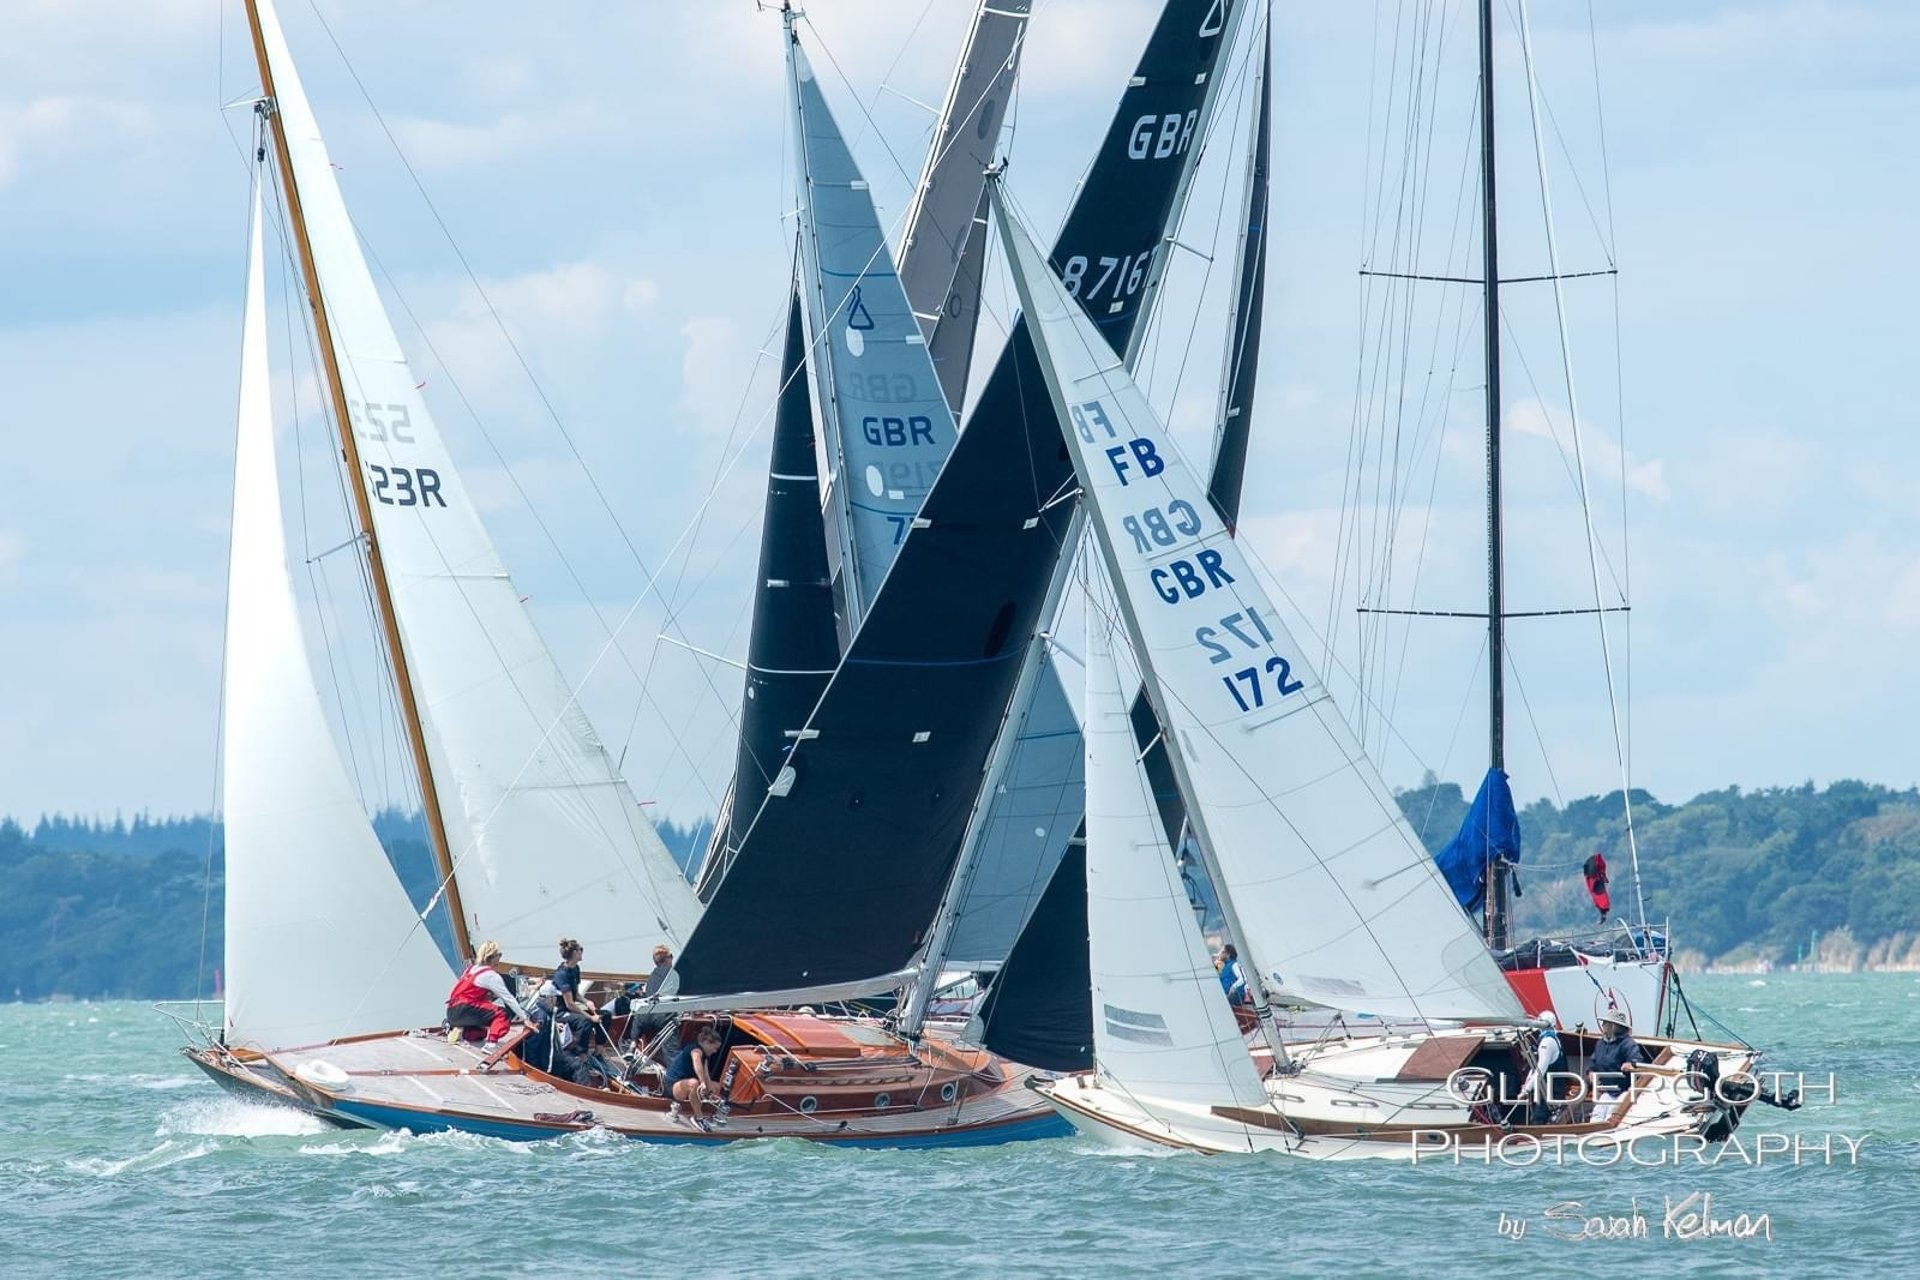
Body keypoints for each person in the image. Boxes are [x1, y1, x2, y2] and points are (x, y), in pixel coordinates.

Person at [445, 940, 533, 1047]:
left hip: (452, 1011)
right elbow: (508, 998)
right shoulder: (490, 975)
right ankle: (491, 1044)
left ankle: (463, 1032)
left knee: (481, 1032)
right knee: (503, 1014)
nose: (500, 958)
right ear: (492, 956)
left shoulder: (470, 970)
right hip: (465, 1009)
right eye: (498, 955)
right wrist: (525, 1019)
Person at [1587, 1007, 1648, 1123]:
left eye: (1606, 1023)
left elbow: (1638, 1061)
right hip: (1607, 1090)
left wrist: (1631, 1065)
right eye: (1604, 1023)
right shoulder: (1600, 1043)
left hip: (1624, 1090)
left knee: (1611, 1115)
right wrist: (1590, 1071)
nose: (1603, 1025)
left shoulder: (1628, 1044)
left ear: (1614, 1026)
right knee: (1596, 1117)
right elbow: (1593, 1062)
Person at [1519, 1011, 1566, 1125]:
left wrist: (1526, 1090)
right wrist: (1527, 1083)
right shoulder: (1548, 1038)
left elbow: (1540, 1069)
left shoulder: (1548, 1042)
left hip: (1551, 1091)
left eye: (1540, 1021)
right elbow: (1535, 1066)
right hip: (1543, 1089)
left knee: (1538, 1119)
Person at [665, 1026, 726, 1107]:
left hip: (686, 1084)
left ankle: (711, 1108)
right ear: (706, 1043)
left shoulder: (705, 1056)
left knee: (717, 1086)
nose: (715, 1051)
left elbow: (706, 1076)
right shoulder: (695, 1050)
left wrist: (710, 1089)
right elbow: (696, 1060)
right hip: (673, 1086)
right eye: (715, 1048)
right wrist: (702, 1082)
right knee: (694, 1083)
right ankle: (699, 1117)